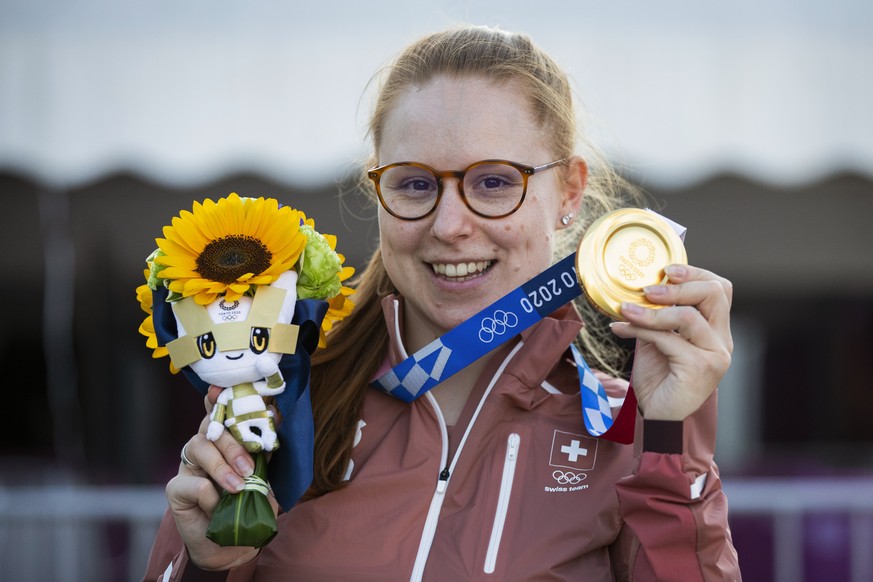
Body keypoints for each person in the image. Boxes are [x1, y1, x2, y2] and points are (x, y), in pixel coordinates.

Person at [144, 25, 740, 581]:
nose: (450, 225)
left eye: (495, 182)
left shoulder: (624, 434)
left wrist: (671, 437)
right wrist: (204, 566)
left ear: (570, 191)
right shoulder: (282, 406)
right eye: (414, 183)